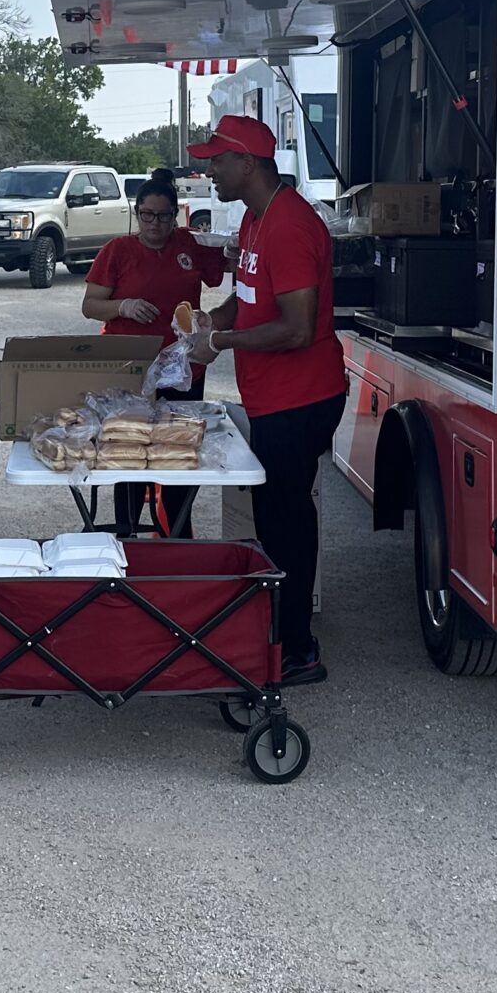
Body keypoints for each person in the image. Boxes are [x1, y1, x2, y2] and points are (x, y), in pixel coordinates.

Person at [185, 115, 344, 684]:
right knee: (274, 517)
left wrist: (221, 342)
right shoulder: (255, 218)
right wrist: (212, 322)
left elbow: (298, 328)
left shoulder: (290, 226)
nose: (209, 171)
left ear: (247, 163)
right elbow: (244, 298)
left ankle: (298, 649)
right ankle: (280, 628)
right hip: (273, 396)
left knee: (287, 519)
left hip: (302, 398)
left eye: (217, 161)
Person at [80, 167, 224, 536]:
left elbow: (220, 273)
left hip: (182, 366)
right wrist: (123, 305)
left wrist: (231, 250)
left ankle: (177, 533)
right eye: (147, 215)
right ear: (136, 213)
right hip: (131, 367)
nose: (154, 224)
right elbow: (91, 305)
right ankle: (127, 534)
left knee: (177, 453)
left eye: (163, 216)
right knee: (128, 454)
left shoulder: (189, 244)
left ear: (175, 214)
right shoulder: (118, 250)